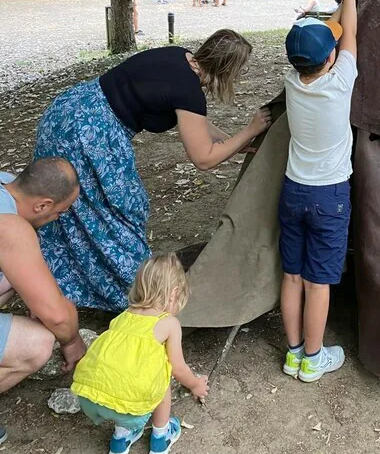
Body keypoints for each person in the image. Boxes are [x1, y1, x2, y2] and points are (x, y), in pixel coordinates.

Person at [34, 30, 273, 311]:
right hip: (90, 134)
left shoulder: (179, 57)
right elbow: (204, 159)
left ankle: (52, 282)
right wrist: (249, 130)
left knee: (68, 206)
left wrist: (232, 141)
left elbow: (194, 122)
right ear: (228, 70)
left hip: (67, 112)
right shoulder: (189, 90)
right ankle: (138, 296)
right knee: (118, 207)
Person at [279, 0, 364, 382]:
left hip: (293, 190)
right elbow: (349, 34)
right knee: (318, 282)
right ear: (330, 59)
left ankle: (293, 352)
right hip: (329, 195)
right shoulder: (341, 81)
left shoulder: (292, 83)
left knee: (292, 275)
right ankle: (313, 359)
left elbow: (333, 42)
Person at [72, 253, 207, 454]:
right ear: (174, 294)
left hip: (91, 399)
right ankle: (160, 437)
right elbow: (178, 368)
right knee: (161, 378)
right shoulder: (168, 323)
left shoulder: (123, 316)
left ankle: (120, 440)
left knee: (123, 374)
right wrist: (196, 385)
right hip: (130, 408)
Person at [0, 159, 86, 445]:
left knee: (16, 277)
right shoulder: (10, 226)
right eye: (60, 211)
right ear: (42, 205)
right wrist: (72, 341)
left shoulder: (6, 183)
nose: (60, 217)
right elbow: (58, 317)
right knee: (36, 345)